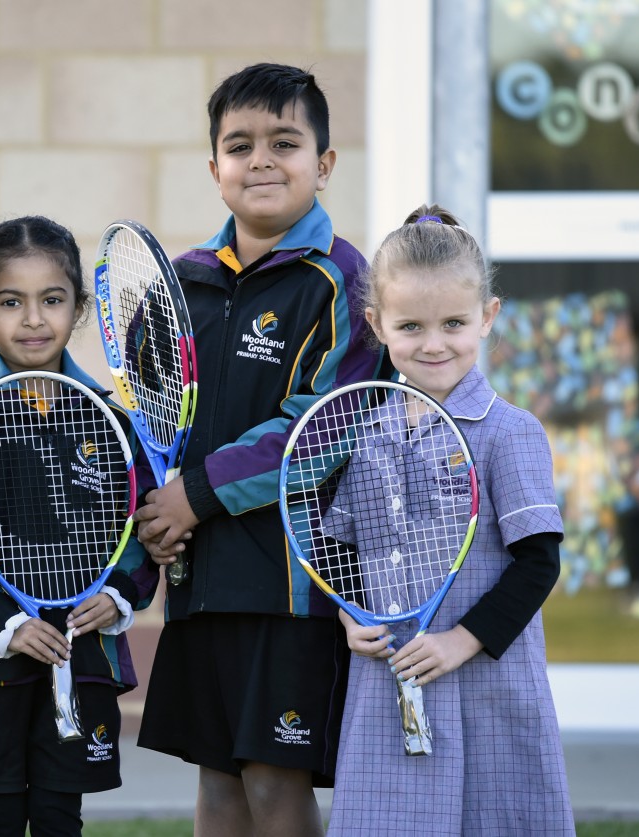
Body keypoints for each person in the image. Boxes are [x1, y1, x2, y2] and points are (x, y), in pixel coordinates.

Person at [133, 63, 392, 836]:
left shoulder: (343, 280)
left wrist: (196, 496)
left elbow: (321, 428)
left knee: (275, 786)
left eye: (285, 142)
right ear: (215, 169)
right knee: (217, 786)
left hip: (293, 588)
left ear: (324, 163)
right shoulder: (180, 283)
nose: (262, 160)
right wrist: (160, 510)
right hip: (199, 584)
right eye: (239, 145)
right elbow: (147, 416)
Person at [327, 204, 573, 835]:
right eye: (411, 325)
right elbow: (342, 550)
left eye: (454, 323)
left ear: (487, 318)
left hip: (488, 684)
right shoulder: (366, 431)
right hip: (390, 683)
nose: (434, 343)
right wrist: (349, 615)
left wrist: (459, 642)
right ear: (377, 326)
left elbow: (538, 563)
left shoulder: (510, 432)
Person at [0, 215, 159, 837]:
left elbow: (137, 533)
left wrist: (118, 597)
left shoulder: (112, 421)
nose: (33, 319)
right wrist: (3, 622)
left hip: (81, 649)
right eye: (10, 302)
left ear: (78, 307)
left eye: (52, 300)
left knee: (61, 814)